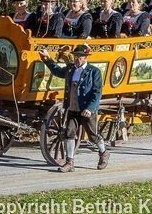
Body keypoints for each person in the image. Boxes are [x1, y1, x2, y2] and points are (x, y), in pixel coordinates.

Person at [38, 44, 109, 173]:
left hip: (86, 109)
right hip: (72, 107)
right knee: (69, 133)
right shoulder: (71, 69)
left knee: (93, 136)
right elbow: (57, 71)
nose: (77, 59)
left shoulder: (94, 72)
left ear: (86, 57)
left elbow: (97, 92)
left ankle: (103, 153)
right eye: (76, 56)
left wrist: (90, 108)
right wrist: (47, 58)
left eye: (80, 57)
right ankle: (69, 162)